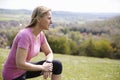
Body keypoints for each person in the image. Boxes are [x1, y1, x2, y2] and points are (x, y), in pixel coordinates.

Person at [2, 6, 62, 80]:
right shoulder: (25, 35)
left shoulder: (40, 35)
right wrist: (43, 67)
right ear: (39, 19)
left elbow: (49, 52)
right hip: (12, 75)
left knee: (57, 65)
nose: (51, 22)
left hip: (24, 70)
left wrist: (48, 63)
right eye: (49, 18)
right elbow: (20, 64)